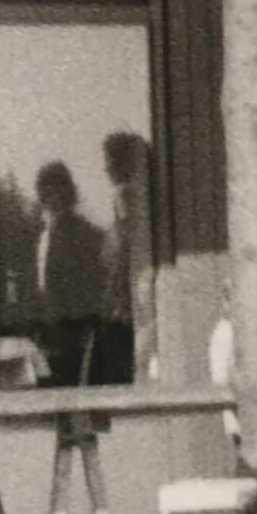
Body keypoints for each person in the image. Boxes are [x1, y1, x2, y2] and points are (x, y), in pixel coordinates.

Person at [15, 161, 109, 385]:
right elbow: (32, 284)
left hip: (74, 335)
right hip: (41, 335)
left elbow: (92, 290)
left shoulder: (88, 235)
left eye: (58, 191)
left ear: (69, 193)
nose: (52, 198)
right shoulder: (37, 236)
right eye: (46, 192)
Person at [98, 131, 155, 385]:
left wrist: (115, 289)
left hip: (132, 280)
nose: (105, 168)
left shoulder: (124, 194)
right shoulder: (140, 194)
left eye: (110, 161)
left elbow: (125, 243)